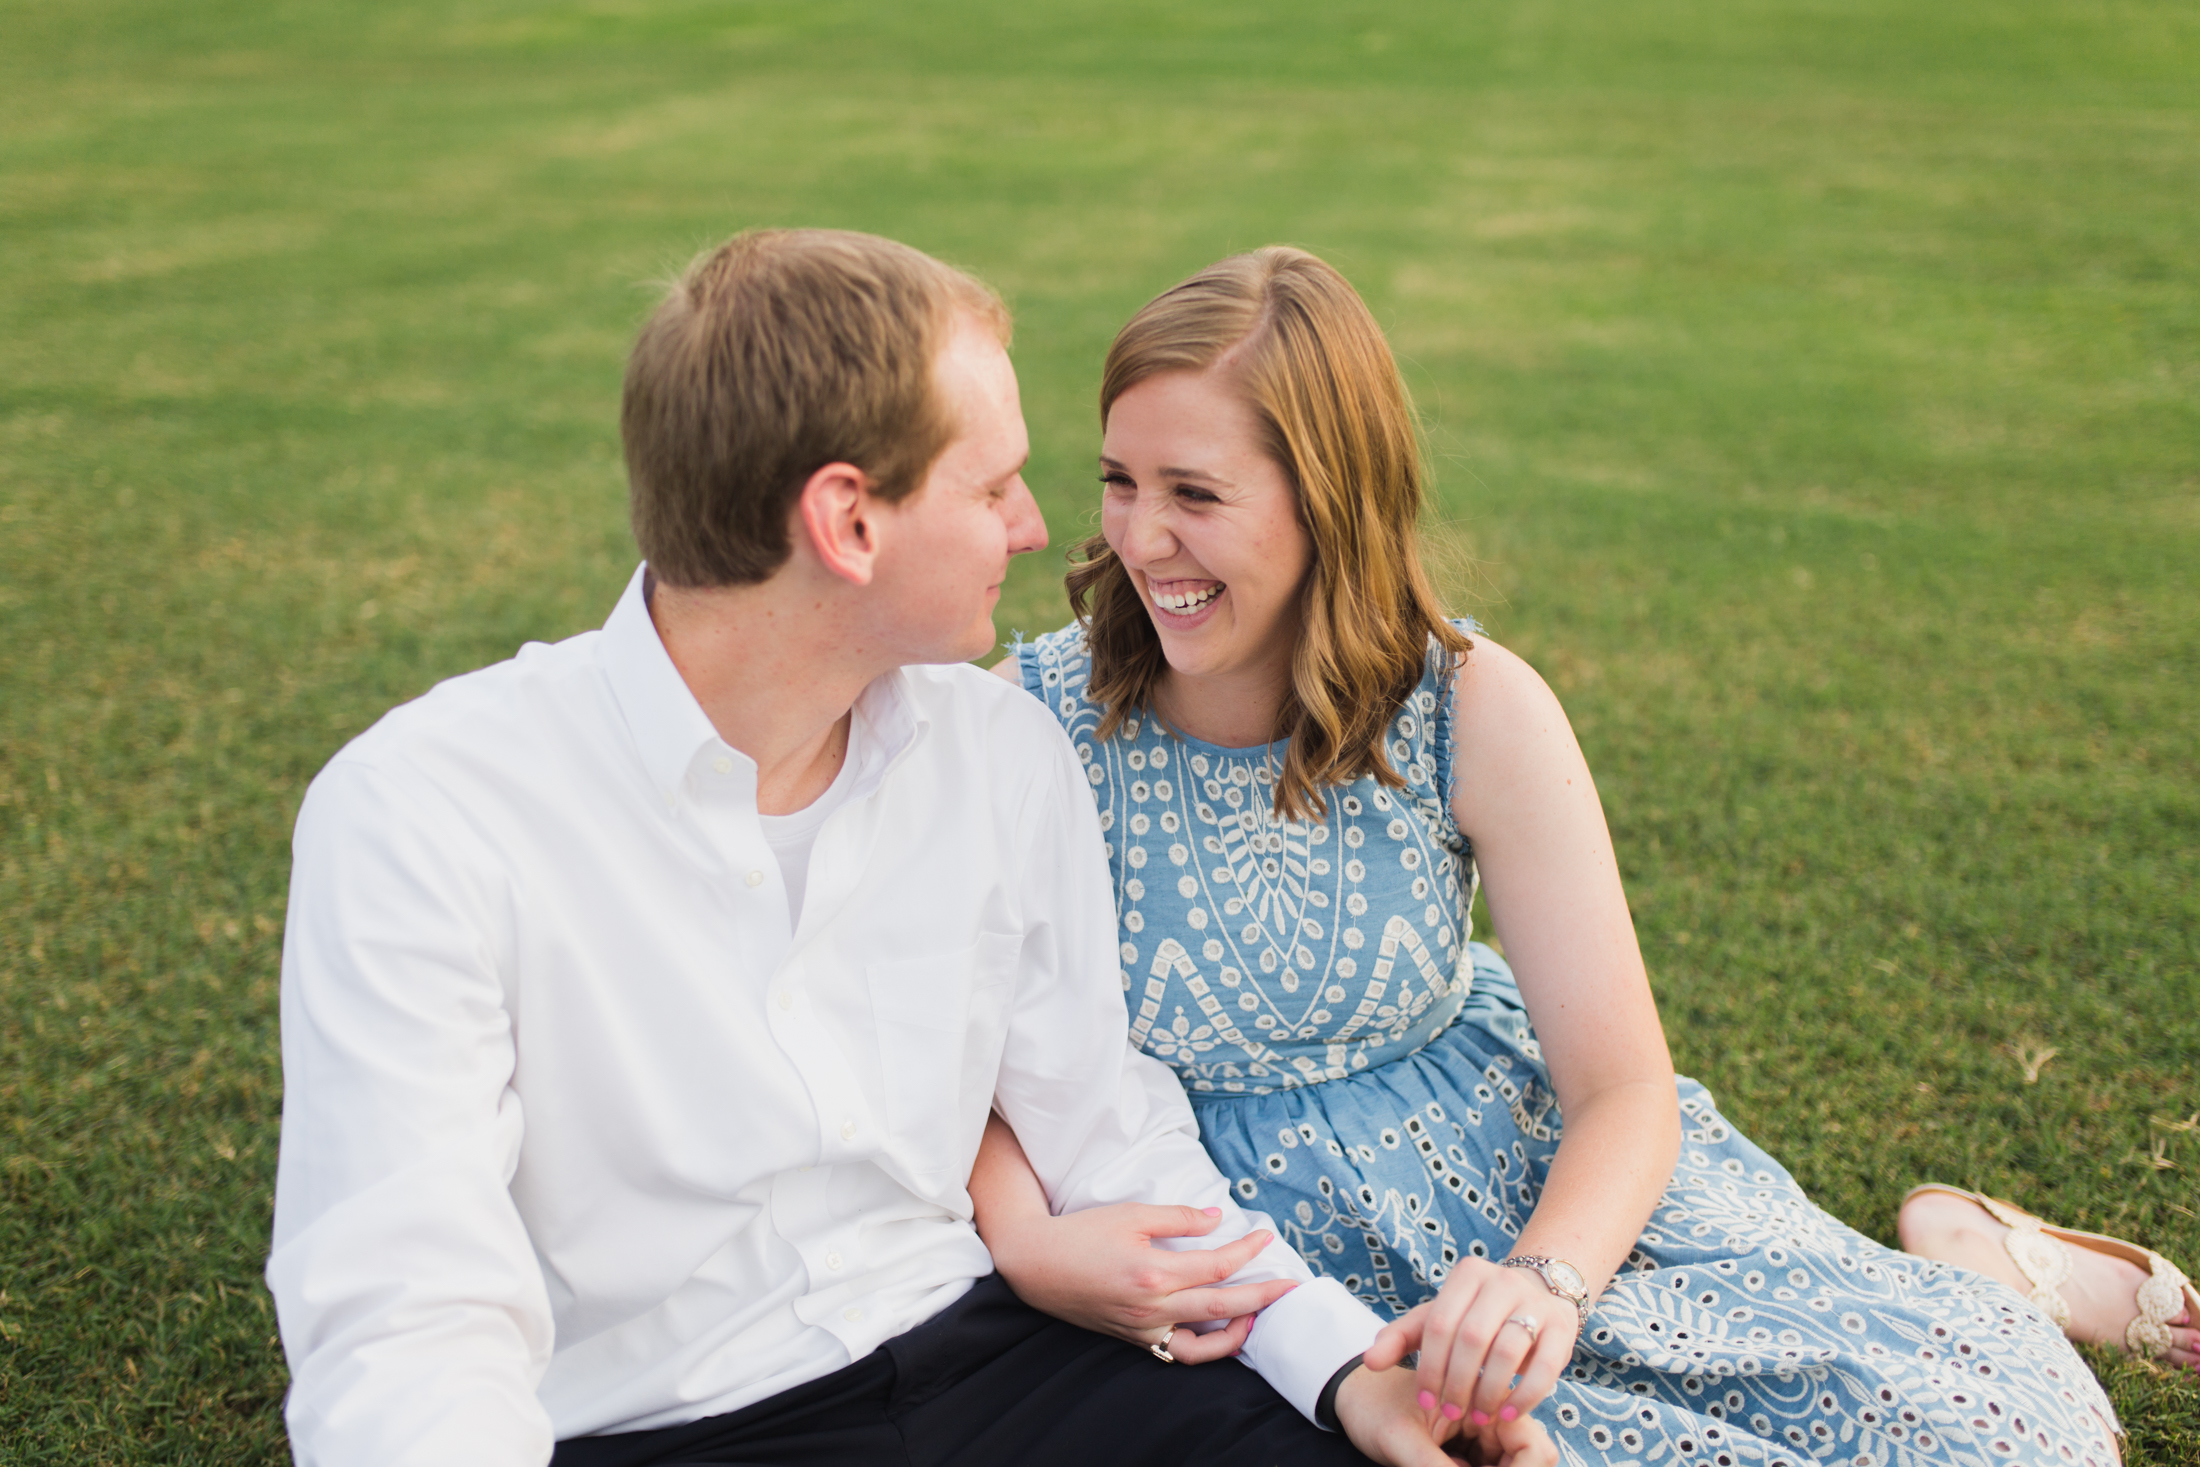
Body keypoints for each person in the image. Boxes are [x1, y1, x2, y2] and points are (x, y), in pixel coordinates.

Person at [265, 228, 1555, 1467]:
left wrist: (1341, 1373)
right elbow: (406, 1318)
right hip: (661, 1424)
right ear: (849, 523)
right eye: (991, 486)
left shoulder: (997, 754)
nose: (1042, 529)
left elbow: (1106, 1132)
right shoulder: (425, 811)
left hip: (1015, 1363)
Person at [969, 246, 2142, 1466]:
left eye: (1195, 495)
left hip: (1507, 1194)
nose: (1143, 538)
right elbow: (963, 1053)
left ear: (1328, 498)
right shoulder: (1034, 719)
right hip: (1214, 1262)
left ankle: (1977, 1257)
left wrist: (1543, 1284)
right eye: (1117, 480)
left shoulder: (1467, 708)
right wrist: (1029, 1243)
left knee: (2002, 1440)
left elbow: (1624, 1087)